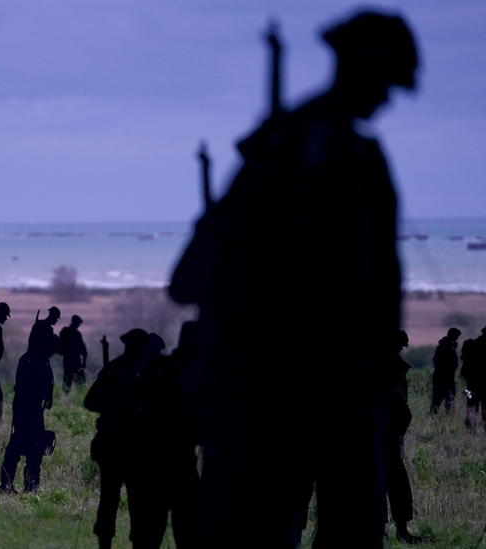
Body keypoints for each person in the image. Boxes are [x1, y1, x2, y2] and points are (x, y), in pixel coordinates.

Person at [168, 11, 419, 547]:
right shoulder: (303, 159)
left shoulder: (342, 159)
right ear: (357, 70)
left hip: (323, 397)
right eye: (384, 82)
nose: (387, 100)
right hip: (274, 398)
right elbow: (194, 280)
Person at [85, 329, 198, 549]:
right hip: (119, 448)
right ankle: (109, 541)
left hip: (137, 451)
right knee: (116, 500)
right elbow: (92, 402)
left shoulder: (152, 373)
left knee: (137, 505)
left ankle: (127, 541)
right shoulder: (122, 371)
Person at [0, 331, 57, 494]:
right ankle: (9, 486)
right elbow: (22, 389)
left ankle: (28, 487)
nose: (53, 354)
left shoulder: (39, 362)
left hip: (33, 412)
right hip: (25, 412)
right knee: (17, 450)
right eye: (52, 350)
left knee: (34, 452)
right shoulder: (30, 361)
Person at [383, 330, 423, 543]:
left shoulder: (391, 368)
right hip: (381, 438)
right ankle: (396, 531)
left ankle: (401, 531)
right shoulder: (383, 367)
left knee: (398, 486)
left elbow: (402, 410)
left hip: (388, 437)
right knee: (388, 485)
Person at [461, 326, 486, 431]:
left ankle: (471, 431)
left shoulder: (471, 345)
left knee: (472, 409)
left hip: (472, 384)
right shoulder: (473, 346)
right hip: (480, 385)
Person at [431, 327, 461, 413]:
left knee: (440, 398)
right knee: (444, 398)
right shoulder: (446, 348)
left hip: (443, 376)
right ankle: (442, 416)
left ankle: (435, 415)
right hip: (444, 377)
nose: (457, 338)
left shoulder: (444, 346)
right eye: (456, 336)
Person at [59, 315, 88, 391]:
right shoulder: (68, 332)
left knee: (78, 381)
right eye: (78, 323)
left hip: (73, 359)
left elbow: (82, 349)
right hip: (71, 359)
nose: (78, 325)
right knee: (69, 381)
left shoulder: (70, 332)